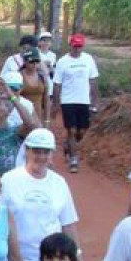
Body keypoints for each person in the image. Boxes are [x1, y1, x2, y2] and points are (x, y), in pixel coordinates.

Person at [0, 129, 83, 261]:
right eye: (36, 151)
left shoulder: (59, 183)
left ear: (52, 154)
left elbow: (68, 223)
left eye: (46, 152)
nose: (41, 157)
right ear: (27, 151)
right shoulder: (9, 180)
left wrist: (77, 254)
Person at [52, 34, 99, 173]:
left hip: (84, 100)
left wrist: (95, 102)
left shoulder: (88, 59)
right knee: (72, 130)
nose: (77, 49)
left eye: (80, 46)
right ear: (70, 45)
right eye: (75, 46)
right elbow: (57, 83)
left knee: (81, 131)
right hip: (68, 100)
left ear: (83, 46)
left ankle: (69, 145)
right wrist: (56, 102)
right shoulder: (62, 62)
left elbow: (94, 81)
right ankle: (73, 159)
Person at [18, 49, 50, 126]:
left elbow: (46, 100)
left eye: (37, 61)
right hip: (21, 117)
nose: (35, 64)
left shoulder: (42, 77)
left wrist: (47, 121)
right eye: (31, 62)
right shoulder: (18, 77)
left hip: (37, 118)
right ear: (25, 62)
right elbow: (13, 97)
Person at [37, 31, 58, 98]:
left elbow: (54, 71)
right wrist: (42, 65)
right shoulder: (36, 53)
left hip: (49, 84)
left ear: (51, 43)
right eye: (44, 40)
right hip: (37, 83)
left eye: (48, 41)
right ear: (39, 42)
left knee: (48, 104)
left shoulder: (53, 55)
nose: (46, 43)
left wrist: (51, 68)